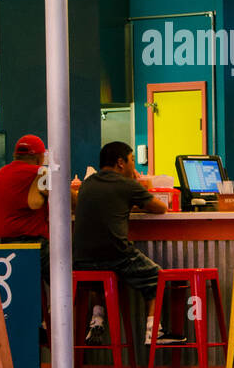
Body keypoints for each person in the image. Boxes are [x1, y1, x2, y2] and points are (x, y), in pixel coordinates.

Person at [73, 141, 171, 346]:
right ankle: (154, 332)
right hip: (116, 256)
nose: (134, 167)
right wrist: (144, 188)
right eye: (132, 161)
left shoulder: (87, 185)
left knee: (99, 278)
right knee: (157, 276)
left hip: (81, 262)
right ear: (120, 162)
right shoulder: (127, 185)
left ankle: (97, 320)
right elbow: (160, 208)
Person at [0, 134, 51, 282]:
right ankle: (66, 304)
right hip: (23, 246)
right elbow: (67, 198)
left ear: (15, 155)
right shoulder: (39, 172)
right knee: (64, 260)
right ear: (40, 157)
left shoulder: (2, 172)